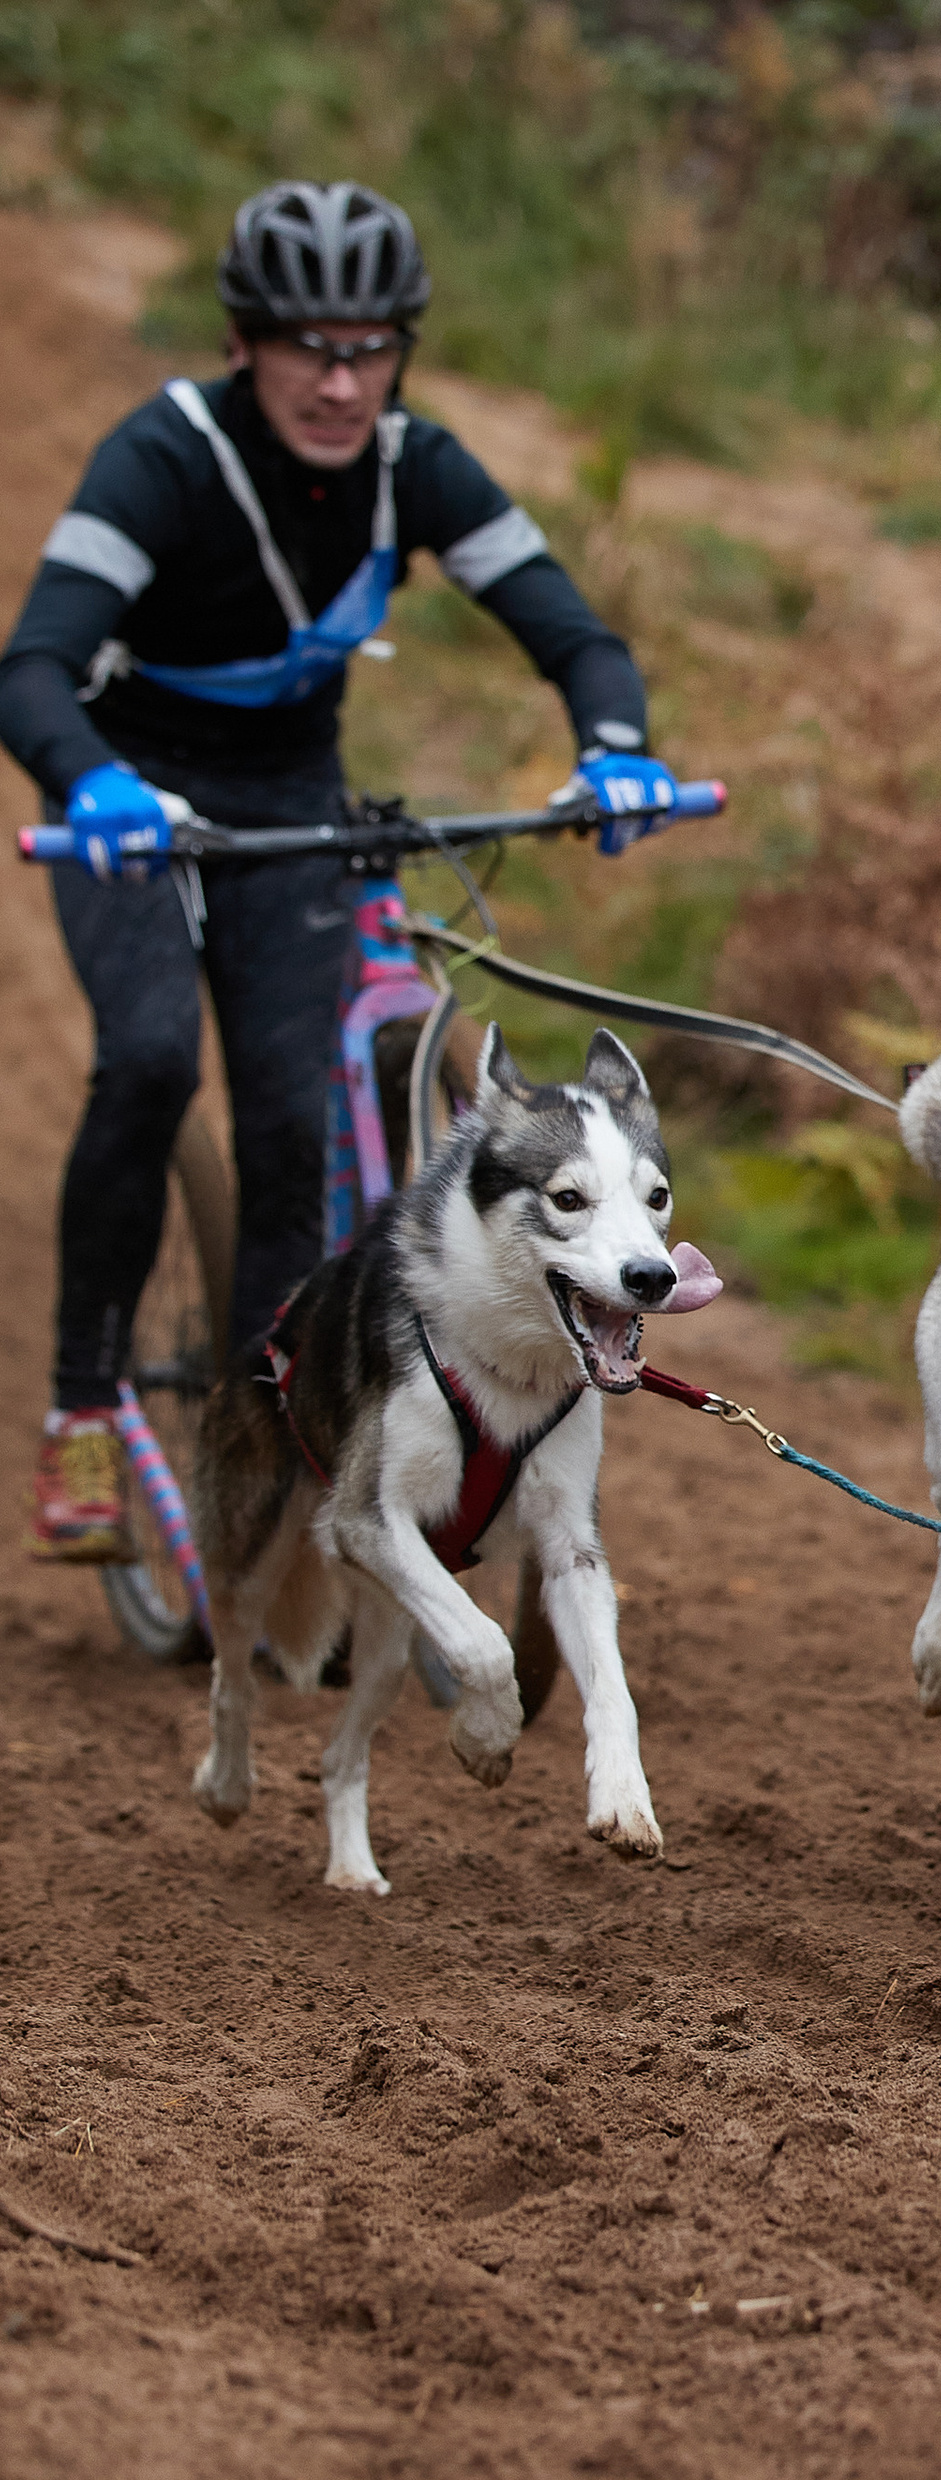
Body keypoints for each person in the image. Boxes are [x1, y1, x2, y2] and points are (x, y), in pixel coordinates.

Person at [0, 180, 681, 1563]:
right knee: (144, 1062)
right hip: (128, 805)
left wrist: (616, 748)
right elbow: (33, 669)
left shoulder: (412, 464)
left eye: (368, 347)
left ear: (401, 353)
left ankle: (267, 1438)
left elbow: (574, 635)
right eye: (307, 345)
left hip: (291, 810)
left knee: (282, 1137)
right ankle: (80, 1403)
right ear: (244, 344)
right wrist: (99, 783)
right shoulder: (162, 458)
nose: (338, 378)